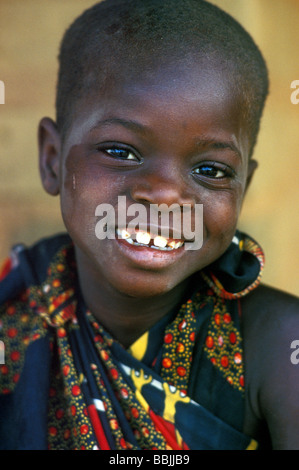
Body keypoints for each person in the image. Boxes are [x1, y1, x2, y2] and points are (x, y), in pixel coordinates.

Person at [0, 0, 299, 451]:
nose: (163, 195)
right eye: (120, 151)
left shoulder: (279, 345)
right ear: (52, 160)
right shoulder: (13, 324)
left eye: (212, 171)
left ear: (244, 186)